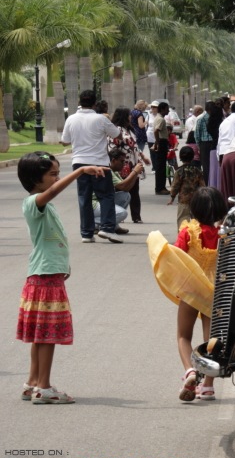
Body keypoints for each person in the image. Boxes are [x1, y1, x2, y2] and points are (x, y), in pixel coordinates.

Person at [16, 152, 109, 404]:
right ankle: (44, 388)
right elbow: (53, 193)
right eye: (53, 174)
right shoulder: (34, 202)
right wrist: (79, 172)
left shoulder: (43, 205)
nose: (57, 179)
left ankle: (33, 382)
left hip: (46, 274)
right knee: (47, 334)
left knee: (40, 333)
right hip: (44, 277)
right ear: (36, 180)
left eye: (59, 173)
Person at [174, 187, 227, 401]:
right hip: (216, 291)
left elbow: (176, 257)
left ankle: (190, 371)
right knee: (210, 341)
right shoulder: (225, 232)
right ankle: (207, 386)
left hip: (191, 287)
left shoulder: (188, 231)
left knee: (183, 335)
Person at [60, 89, 122, 243]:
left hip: (79, 163)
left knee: (84, 197)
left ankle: (86, 233)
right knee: (106, 195)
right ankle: (107, 228)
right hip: (99, 163)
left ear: (80, 102)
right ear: (95, 103)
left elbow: (65, 140)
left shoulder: (71, 119)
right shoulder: (101, 119)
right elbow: (116, 134)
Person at [109, 107, 150, 224]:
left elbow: (135, 146)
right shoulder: (116, 130)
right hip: (122, 165)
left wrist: (143, 157)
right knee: (121, 190)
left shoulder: (129, 130)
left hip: (133, 163)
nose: (131, 117)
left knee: (134, 190)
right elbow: (113, 148)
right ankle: (119, 214)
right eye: (129, 115)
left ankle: (136, 216)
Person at [92, 147, 143, 233]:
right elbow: (122, 186)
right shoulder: (108, 171)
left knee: (125, 195)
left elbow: (126, 188)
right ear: (113, 160)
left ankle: (113, 226)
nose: (123, 164)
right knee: (122, 213)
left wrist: (136, 174)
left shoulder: (114, 171)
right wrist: (134, 172)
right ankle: (93, 223)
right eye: (121, 161)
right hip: (94, 204)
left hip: (103, 201)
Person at [168, 146, 206, 231]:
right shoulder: (197, 171)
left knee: (182, 220)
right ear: (193, 157)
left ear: (180, 157)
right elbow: (202, 185)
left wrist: (172, 197)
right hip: (196, 201)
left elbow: (175, 185)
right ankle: (195, 239)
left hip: (183, 201)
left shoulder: (179, 171)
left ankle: (183, 240)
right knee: (196, 221)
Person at [152, 101, 171, 195]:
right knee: (161, 167)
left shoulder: (158, 118)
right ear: (163, 109)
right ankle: (160, 188)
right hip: (162, 142)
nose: (168, 110)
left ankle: (160, 187)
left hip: (161, 142)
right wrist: (158, 143)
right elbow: (156, 131)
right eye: (167, 109)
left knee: (161, 166)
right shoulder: (161, 119)